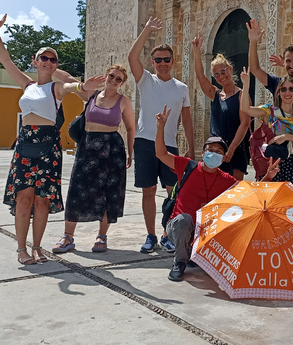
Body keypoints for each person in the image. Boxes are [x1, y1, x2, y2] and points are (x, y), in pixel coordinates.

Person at [0, 14, 103, 265]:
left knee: (42, 201)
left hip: (48, 147)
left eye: (53, 60)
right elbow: (5, 60)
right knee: (23, 198)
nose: (49, 62)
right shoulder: (27, 85)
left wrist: (85, 86)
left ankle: (37, 247)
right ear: (35, 61)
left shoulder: (56, 88)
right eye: (44, 57)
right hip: (25, 145)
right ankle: (21, 249)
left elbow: (73, 88)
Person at [154, 106, 280, 281]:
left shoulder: (227, 180)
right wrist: (160, 127)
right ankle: (180, 261)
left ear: (223, 158)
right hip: (179, 227)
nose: (214, 154)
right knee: (184, 220)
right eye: (210, 150)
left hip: (206, 231)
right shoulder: (188, 166)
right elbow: (161, 153)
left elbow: (250, 193)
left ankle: (196, 254)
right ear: (203, 152)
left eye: (218, 152)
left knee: (236, 217)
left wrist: (267, 176)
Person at [128, 16, 195, 254]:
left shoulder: (182, 88)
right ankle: (150, 235)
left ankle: (168, 233)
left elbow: (186, 119)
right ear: (153, 62)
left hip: (169, 146)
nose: (163, 63)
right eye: (158, 60)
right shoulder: (146, 80)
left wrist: (191, 147)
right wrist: (146, 29)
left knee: (173, 191)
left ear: (173, 61)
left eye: (167, 59)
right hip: (145, 142)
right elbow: (131, 57)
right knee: (148, 191)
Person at [52, 65, 136, 254]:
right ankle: (67, 236)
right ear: (106, 76)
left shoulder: (124, 101)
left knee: (108, 192)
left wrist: (131, 152)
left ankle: (102, 236)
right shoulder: (91, 95)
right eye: (112, 76)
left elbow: (131, 127)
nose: (113, 81)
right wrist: (49, 67)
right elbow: (68, 78)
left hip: (111, 149)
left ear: (122, 83)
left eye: (118, 79)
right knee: (76, 189)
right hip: (87, 147)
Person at [239, 68, 293, 191]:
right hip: (271, 162)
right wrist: (246, 85)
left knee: (291, 203)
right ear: (279, 92)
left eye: (291, 89)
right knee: (270, 200)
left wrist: (285, 137)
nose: (287, 92)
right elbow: (246, 109)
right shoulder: (270, 111)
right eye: (283, 89)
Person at [191, 33, 250, 180]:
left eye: (223, 71)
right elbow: (200, 76)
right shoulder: (214, 94)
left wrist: (230, 150)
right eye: (216, 75)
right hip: (215, 148)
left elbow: (245, 123)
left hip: (234, 149)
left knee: (233, 192)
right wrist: (197, 52)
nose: (221, 76)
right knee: (212, 189)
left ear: (230, 69)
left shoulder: (242, 95)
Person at [246, 19, 293, 118]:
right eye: (288, 61)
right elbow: (255, 69)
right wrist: (253, 42)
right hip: (278, 133)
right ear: (284, 62)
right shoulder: (277, 83)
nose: (292, 65)